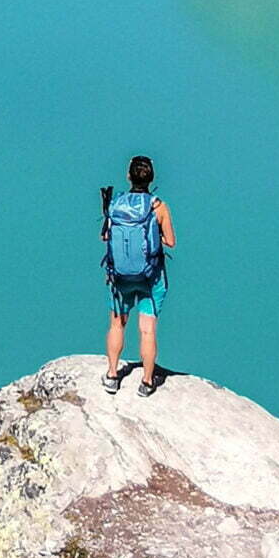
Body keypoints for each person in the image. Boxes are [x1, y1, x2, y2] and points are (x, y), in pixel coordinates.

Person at [103, 154, 175, 397]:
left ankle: (112, 375)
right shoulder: (159, 207)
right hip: (150, 277)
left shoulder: (116, 204)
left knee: (116, 324)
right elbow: (171, 242)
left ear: (128, 177)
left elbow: (106, 237)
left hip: (120, 277)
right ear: (152, 177)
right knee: (147, 329)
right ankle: (146, 381)